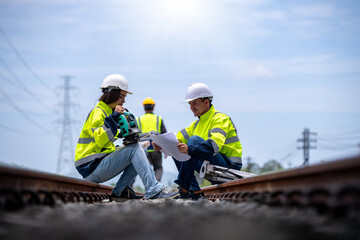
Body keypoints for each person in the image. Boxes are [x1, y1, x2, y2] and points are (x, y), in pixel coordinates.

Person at [74, 74, 179, 200]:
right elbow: (101, 140)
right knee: (135, 149)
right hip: (90, 167)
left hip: (97, 164)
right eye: (122, 96)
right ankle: (153, 190)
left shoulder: (108, 112)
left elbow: (108, 143)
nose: (124, 101)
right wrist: (114, 118)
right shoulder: (98, 112)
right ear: (112, 93)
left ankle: (121, 191)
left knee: (141, 148)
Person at [155, 82, 242, 200]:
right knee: (176, 147)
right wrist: (162, 145)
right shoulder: (196, 125)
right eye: (190, 104)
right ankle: (194, 191)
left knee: (193, 140)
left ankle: (184, 187)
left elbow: (213, 148)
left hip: (228, 168)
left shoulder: (220, 119)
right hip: (213, 167)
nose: (191, 107)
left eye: (194, 103)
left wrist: (189, 149)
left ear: (206, 102)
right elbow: (176, 139)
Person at [136, 97, 167, 182]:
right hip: (155, 146)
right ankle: (157, 186)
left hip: (143, 148)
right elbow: (164, 134)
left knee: (145, 168)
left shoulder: (138, 119)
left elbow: (135, 134)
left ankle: (148, 186)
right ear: (153, 107)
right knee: (158, 167)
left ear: (144, 108)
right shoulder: (158, 118)